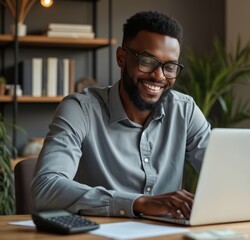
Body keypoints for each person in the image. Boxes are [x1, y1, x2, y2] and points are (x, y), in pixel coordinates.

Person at [31, 11, 211, 219]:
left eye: (169, 67)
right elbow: (45, 188)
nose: (159, 76)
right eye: (147, 61)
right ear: (121, 58)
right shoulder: (81, 109)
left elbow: (228, 174)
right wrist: (138, 203)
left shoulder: (185, 110)